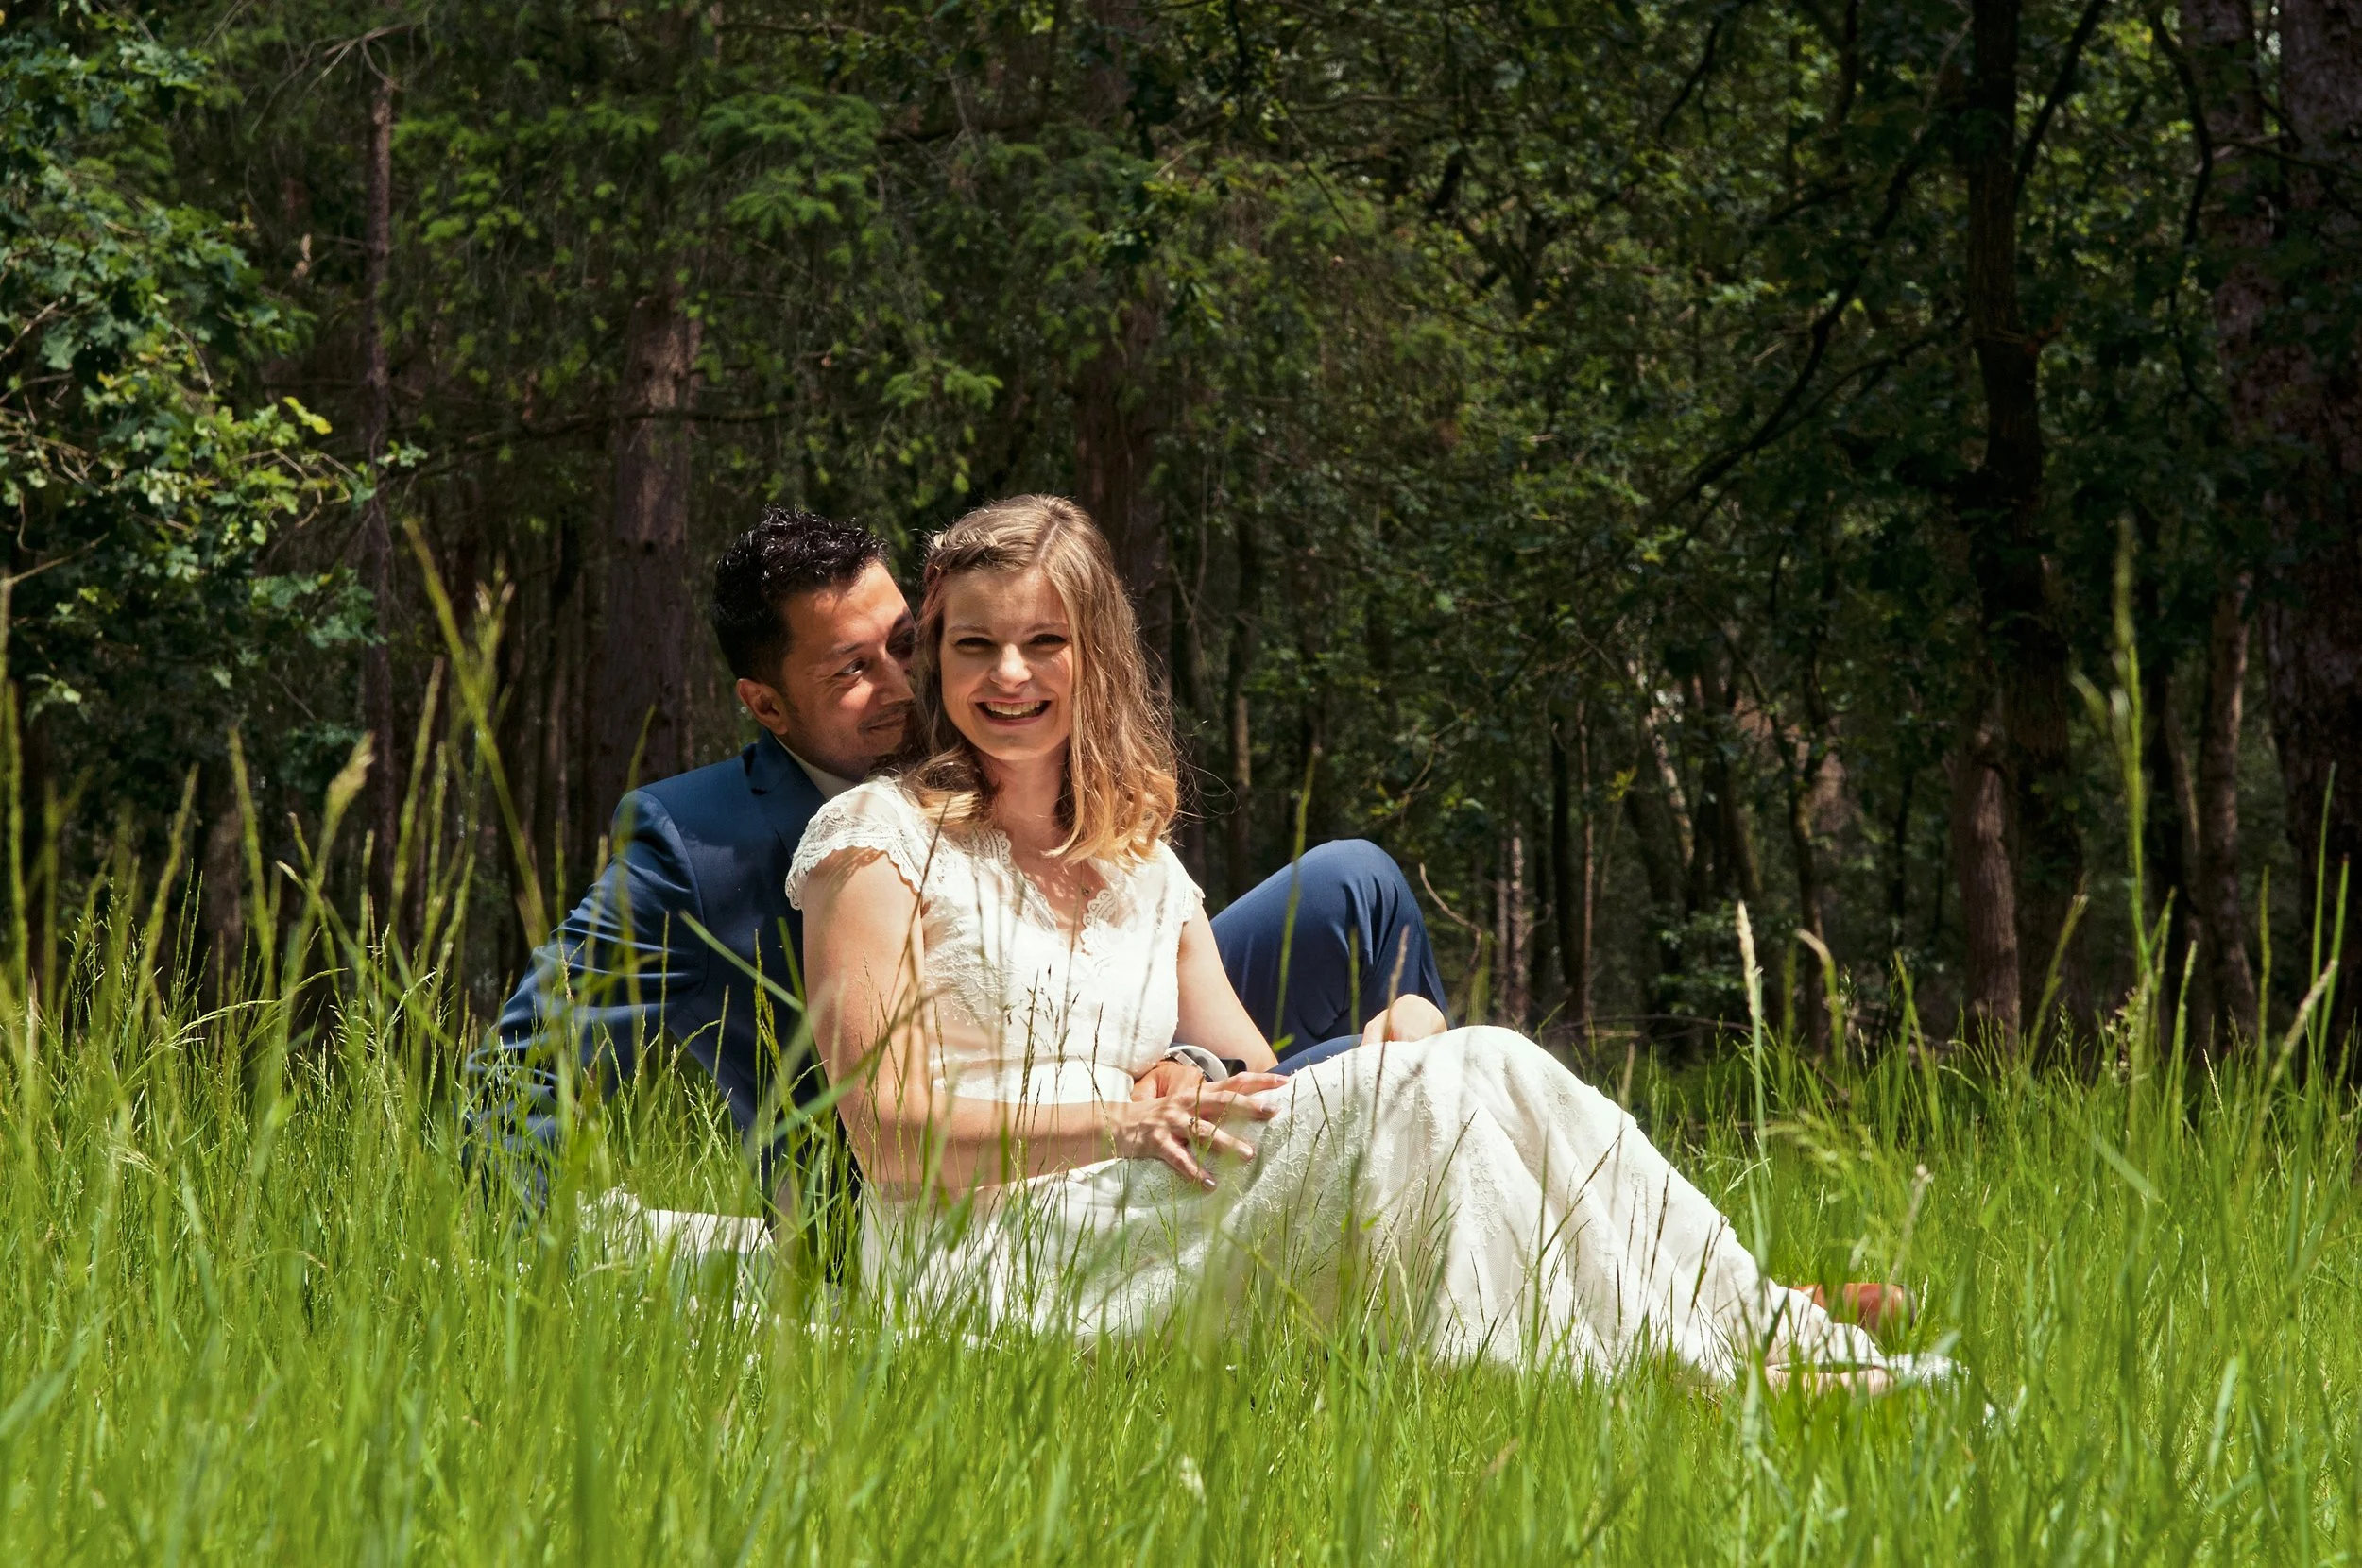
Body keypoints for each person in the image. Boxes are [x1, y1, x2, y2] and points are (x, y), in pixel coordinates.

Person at [791, 495, 1939, 1384]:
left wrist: (1200, 1071)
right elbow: (887, 1135)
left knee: (1472, 1057)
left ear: (1096, 658)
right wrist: (1126, 1119)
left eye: (1044, 641)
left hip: (1151, 1195)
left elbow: (1250, 1070)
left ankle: (1768, 1335)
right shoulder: (876, 842)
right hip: (987, 1255)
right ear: (936, 665)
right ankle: (1613, 1376)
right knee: (1422, 1094)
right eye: (973, 646)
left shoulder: (1138, 862)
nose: (1008, 675)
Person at [467, 506, 1451, 1211]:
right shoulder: (699, 840)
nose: (903, 681)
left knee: (1353, 887)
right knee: (1415, 1079)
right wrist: (519, 1249)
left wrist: (1184, 1061)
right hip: (926, 1173)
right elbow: (529, 1066)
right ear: (766, 706)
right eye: (852, 669)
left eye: (906, 641)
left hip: (1104, 1052)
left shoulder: (1011, 726)